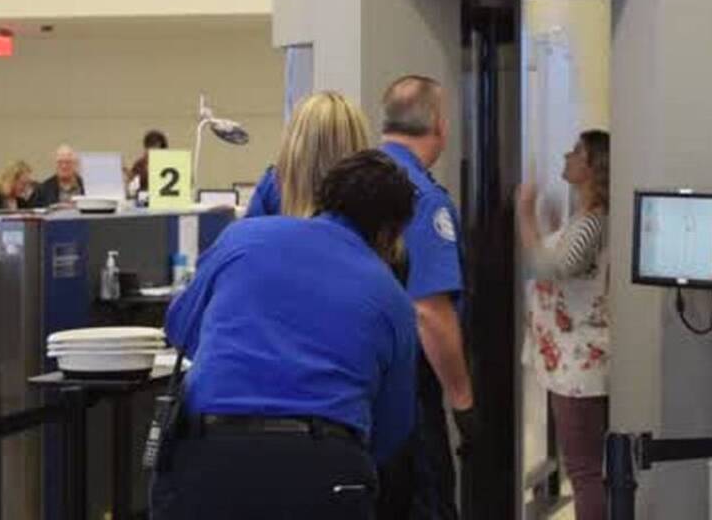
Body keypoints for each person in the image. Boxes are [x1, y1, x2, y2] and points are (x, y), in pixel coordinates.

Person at [153, 150, 419, 519]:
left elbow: (180, 325)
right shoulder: (392, 297)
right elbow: (394, 424)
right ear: (390, 232)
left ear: (324, 198)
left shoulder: (243, 237)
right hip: (324, 470)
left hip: (211, 459)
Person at [377, 75, 475, 519]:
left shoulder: (354, 178)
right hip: (409, 395)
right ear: (438, 123)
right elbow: (429, 312)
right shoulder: (419, 197)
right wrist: (463, 403)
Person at [517, 130, 611, 520]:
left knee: (585, 471)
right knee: (587, 467)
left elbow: (551, 267)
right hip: (572, 365)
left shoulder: (593, 222)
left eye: (576, 152)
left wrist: (525, 215)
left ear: (592, 168)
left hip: (580, 369)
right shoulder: (584, 220)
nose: (567, 155)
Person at [244, 91, 370, 218]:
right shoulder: (372, 193)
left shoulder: (273, 185)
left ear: (296, 139)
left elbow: (249, 232)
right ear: (357, 140)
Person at [128, 130, 169, 194]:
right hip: (145, 199)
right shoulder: (139, 164)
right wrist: (131, 178)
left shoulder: (170, 163)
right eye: (150, 147)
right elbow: (133, 189)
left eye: (157, 147)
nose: (153, 150)